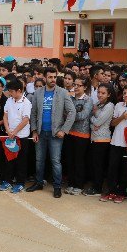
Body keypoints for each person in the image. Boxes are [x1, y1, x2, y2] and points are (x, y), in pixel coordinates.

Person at [27, 67, 76, 197]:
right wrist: (34, 131)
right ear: (44, 78)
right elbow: (34, 113)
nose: (53, 79)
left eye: (54, 77)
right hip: (41, 132)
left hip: (56, 133)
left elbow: (72, 111)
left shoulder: (63, 92)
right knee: (39, 160)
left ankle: (57, 186)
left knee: (55, 161)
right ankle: (38, 182)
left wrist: (64, 130)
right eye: (50, 77)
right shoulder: (38, 93)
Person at [0, 79, 32, 194]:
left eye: (11, 91)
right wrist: (8, 130)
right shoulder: (9, 101)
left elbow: (26, 120)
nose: (10, 93)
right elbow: (5, 116)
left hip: (21, 137)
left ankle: (20, 183)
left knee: (21, 161)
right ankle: (7, 180)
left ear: (19, 91)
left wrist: (15, 132)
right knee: (9, 159)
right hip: (10, 135)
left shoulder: (26, 103)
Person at [63, 77, 92, 195]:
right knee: (70, 160)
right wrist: (70, 115)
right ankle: (71, 184)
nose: (76, 87)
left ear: (85, 87)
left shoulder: (88, 100)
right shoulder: (70, 98)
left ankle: (79, 185)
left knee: (79, 161)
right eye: (75, 84)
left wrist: (70, 116)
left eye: (79, 85)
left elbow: (83, 116)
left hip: (82, 135)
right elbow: (64, 113)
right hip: (70, 133)